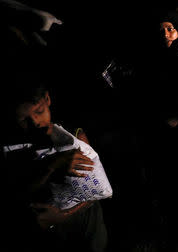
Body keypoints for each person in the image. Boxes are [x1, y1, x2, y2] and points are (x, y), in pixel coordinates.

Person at [0, 71, 110, 252]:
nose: (35, 122)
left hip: (86, 221)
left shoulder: (72, 136)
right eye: (24, 119)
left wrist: (64, 216)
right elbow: (19, 188)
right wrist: (52, 166)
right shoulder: (16, 147)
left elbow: (95, 193)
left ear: (47, 99)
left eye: (39, 111)